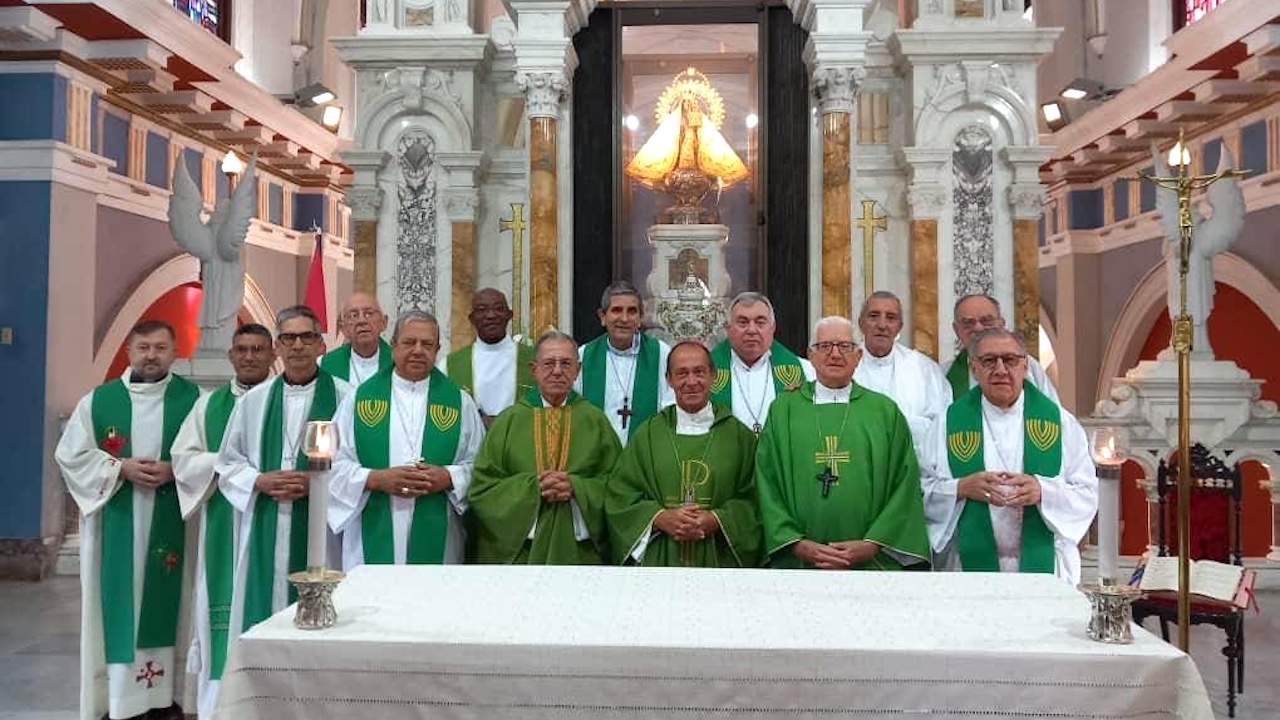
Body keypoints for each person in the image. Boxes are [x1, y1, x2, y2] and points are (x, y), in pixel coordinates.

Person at [56, 320, 201, 720]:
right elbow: (70, 455)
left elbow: (211, 456)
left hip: (174, 519)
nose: (151, 355)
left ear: (174, 353)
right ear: (128, 351)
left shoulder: (195, 400)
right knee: (119, 602)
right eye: (143, 348)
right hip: (116, 521)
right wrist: (119, 469)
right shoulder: (98, 402)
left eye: (160, 347)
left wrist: (176, 469)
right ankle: (119, 698)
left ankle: (167, 694)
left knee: (175, 598)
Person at [215, 306, 353, 637]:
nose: (297, 346)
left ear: (322, 346)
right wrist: (260, 480)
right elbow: (228, 462)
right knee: (264, 610)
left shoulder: (345, 397)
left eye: (307, 337)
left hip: (323, 527)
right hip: (266, 517)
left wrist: (317, 482)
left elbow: (356, 463)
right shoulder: (254, 401)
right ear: (278, 347)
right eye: (289, 338)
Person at [921, 327, 1098, 584]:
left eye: (1010, 360)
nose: (1001, 370)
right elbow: (921, 491)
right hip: (967, 567)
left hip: (1046, 568)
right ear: (973, 368)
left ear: (1025, 366)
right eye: (989, 361)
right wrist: (960, 488)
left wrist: (1043, 491)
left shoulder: (1061, 423)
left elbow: (1087, 493)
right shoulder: (946, 424)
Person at [756, 317, 930, 570]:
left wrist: (872, 543)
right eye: (825, 346)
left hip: (870, 560)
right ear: (810, 355)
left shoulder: (884, 412)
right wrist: (795, 543)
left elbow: (905, 485)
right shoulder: (784, 410)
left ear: (859, 356)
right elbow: (765, 480)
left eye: (845, 347)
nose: (835, 354)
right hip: (798, 561)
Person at [170, 323, 274, 719]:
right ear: (231, 355)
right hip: (223, 519)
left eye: (258, 350)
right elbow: (183, 459)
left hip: (271, 516)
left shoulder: (285, 399)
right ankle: (219, 703)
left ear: (272, 355)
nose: (250, 357)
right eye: (243, 349)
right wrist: (229, 467)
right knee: (222, 606)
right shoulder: (208, 406)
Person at [331, 311, 485, 567]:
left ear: (437, 350)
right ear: (393, 346)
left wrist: (448, 477)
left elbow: (481, 466)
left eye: (426, 344)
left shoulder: (460, 402)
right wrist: (375, 478)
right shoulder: (358, 400)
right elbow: (333, 464)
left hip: (440, 531)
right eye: (409, 342)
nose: (417, 350)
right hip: (373, 530)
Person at [469, 331, 622, 564]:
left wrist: (577, 488)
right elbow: (483, 489)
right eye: (549, 363)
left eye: (566, 364)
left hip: (580, 553)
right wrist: (534, 488)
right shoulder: (510, 421)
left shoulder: (595, 421)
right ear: (534, 369)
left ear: (577, 370)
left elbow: (619, 488)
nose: (558, 371)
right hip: (521, 554)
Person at [606, 341, 761, 567]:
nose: (691, 382)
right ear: (668, 379)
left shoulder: (739, 437)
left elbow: (756, 499)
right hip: (660, 558)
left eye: (699, 372)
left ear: (713, 376)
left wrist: (718, 519)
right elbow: (620, 495)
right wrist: (659, 518)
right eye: (681, 373)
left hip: (720, 559)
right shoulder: (648, 435)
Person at [852, 291, 951, 456]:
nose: (882, 325)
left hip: (912, 464)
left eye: (891, 318)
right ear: (861, 323)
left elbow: (941, 426)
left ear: (899, 326)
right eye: (874, 316)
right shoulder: (842, 363)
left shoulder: (924, 369)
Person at [575, 280, 673, 445]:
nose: (624, 318)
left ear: (641, 318)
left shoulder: (662, 354)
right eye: (617, 310)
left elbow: (671, 409)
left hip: (646, 458)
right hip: (596, 459)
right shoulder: (583, 356)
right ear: (603, 317)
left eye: (632, 311)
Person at [709, 292, 815, 434]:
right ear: (728, 328)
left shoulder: (806, 370)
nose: (751, 330)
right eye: (743, 322)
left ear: (773, 328)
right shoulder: (705, 370)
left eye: (760, 322)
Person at [941, 294, 1059, 403]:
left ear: (1001, 324)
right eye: (968, 323)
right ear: (956, 330)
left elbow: (1054, 414)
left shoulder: (1028, 367)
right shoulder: (943, 374)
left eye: (986, 321)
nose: (977, 328)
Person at [443, 288, 534, 425]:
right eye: (482, 309)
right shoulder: (449, 365)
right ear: (471, 318)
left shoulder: (535, 359)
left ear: (510, 315)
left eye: (498, 308)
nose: (491, 315)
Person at [319, 292, 391, 385]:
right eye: (353, 315)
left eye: (369, 313)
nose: (361, 321)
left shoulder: (398, 362)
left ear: (383, 323)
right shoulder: (323, 365)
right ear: (343, 328)